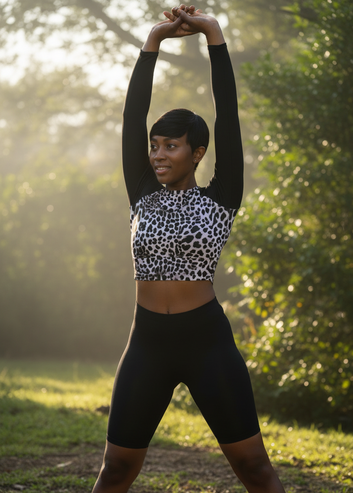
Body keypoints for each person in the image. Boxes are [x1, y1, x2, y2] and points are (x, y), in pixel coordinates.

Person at [92, 5, 285, 493]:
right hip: (147, 344)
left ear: (196, 153)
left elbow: (228, 114)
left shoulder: (222, 195)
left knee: (255, 468)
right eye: (155, 145)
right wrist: (152, 41)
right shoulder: (142, 191)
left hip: (207, 344)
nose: (157, 154)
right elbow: (132, 112)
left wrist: (213, 36)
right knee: (116, 469)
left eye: (170, 146)